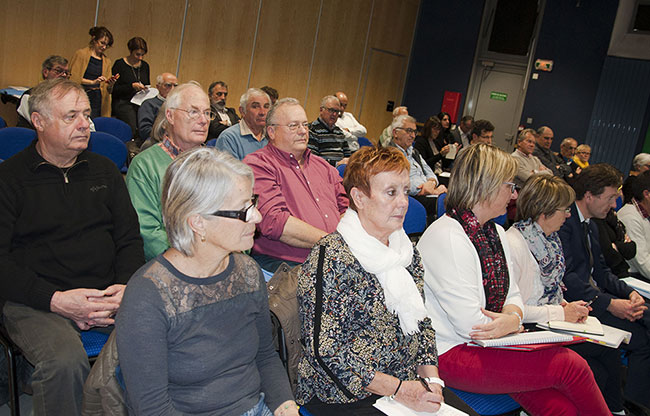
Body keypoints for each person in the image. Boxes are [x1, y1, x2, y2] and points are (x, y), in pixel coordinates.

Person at [417, 143, 610, 415]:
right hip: (450, 354)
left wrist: (512, 318)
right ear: (487, 185)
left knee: (561, 407)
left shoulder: (494, 231)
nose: (513, 194)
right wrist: (511, 321)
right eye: (509, 185)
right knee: (571, 366)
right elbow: (470, 325)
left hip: (491, 344)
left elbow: (513, 295)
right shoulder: (448, 236)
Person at [116, 147, 298, 416]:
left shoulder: (248, 272)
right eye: (243, 210)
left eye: (253, 202)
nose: (257, 216)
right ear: (198, 223)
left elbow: (265, 355)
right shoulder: (148, 296)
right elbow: (152, 408)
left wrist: (285, 405)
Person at [0, 78, 144, 415]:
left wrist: (124, 287)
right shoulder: (9, 180)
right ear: (38, 122)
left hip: (106, 292)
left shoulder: (106, 172)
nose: (84, 125)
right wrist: (57, 300)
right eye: (70, 117)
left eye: (86, 115)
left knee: (161, 335)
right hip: (36, 300)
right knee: (64, 362)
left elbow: (129, 239)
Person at [297, 146, 443, 415]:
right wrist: (399, 389)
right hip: (344, 394)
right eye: (391, 192)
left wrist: (432, 381)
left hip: (404, 385)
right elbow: (325, 352)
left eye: (405, 191)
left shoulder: (406, 251)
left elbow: (421, 324)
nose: (403, 202)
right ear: (359, 198)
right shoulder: (332, 257)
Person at [506, 175, 625, 414]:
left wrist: (568, 306)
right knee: (597, 368)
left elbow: (548, 291)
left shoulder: (547, 241)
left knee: (608, 357)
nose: (569, 215)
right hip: (529, 331)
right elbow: (514, 310)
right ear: (544, 211)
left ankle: (616, 410)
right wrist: (561, 312)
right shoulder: (514, 244)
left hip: (548, 321)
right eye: (564, 210)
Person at [559, 163, 650, 412]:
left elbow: (601, 272)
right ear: (589, 195)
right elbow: (567, 279)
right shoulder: (564, 222)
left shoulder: (590, 224)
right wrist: (610, 303)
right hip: (580, 305)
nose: (614, 205)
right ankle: (633, 404)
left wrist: (629, 293)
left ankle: (630, 402)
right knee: (641, 339)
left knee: (646, 317)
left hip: (596, 299)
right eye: (610, 198)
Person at [243, 98, 348, 272]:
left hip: (333, 258)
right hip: (286, 265)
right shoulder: (258, 165)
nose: (302, 131)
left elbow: (347, 209)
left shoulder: (323, 167)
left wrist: (338, 247)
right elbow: (274, 221)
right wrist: (332, 243)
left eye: (305, 125)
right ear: (272, 131)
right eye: (293, 126)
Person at [127, 83, 213, 261]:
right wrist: (196, 261)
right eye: (193, 112)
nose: (203, 120)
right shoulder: (145, 166)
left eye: (207, 112)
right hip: (172, 266)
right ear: (170, 116)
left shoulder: (218, 166)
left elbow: (235, 222)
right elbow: (148, 234)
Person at [390, 115, 446, 225]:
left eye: (415, 132)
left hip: (426, 192)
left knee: (452, 200)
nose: (412, 136)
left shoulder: (414, 152)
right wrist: (429, 189)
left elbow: (429, 171)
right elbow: (399, 182)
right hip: (411, 197)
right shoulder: (391, 153)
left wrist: (431, 182)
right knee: (447, 203)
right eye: (409, 131)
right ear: (395, 133)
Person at [70, 26, 117, 118]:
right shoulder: (81, 54)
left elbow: (107, 88)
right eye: (102, 43)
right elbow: (73, 79)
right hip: (82, 95)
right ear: (94, 39)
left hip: (98, 99)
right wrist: (92, 82)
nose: (104, 47)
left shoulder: (107, 61)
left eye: (106, 45)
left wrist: (111, 84)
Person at [111, 37, 150, 139]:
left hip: (140, 102)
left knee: (145, 124)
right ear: (130, 51)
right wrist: (131, 86)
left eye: (142, 55)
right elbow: (115, 89)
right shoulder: (120, 64)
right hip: (123, 102)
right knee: (131, 126)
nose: (140, 58)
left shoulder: (145, 66)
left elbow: (147, 83)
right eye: (137, 54)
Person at [16, 55, 70, 128]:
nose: (63, 75)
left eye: (66, 73)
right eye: (58, 71)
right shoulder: (30, 96)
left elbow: (89, 127)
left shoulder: (69, 98)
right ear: (45, 72)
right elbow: (42, 126)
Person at [217, 88, 270, 160]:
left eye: (266, 107)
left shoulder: (272, 137)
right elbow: (229, 171)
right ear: (242, 111)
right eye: (255, 107)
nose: (262, 112)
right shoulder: (229, 138)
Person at [618, 170, 650, 280]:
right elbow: (644, 264)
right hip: (633, 278)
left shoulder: (645, 214)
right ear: (647, 194)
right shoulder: (630, 216)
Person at [308, 95, 351, 166]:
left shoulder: (339, 132)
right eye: (331, 110)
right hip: (322, 171)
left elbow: (348, 156)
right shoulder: (312, 130)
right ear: (321, 110)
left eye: (337, 111)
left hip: (340, 171)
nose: (334, 114)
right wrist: (336, 164)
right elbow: (312, 159)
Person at [137, 72, 178, 143]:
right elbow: (145, 131)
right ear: (158, 87)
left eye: (175, 86)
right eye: (168, 85)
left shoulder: (179, 106)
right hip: (156, 142)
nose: (172, 89)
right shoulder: (149, 104)